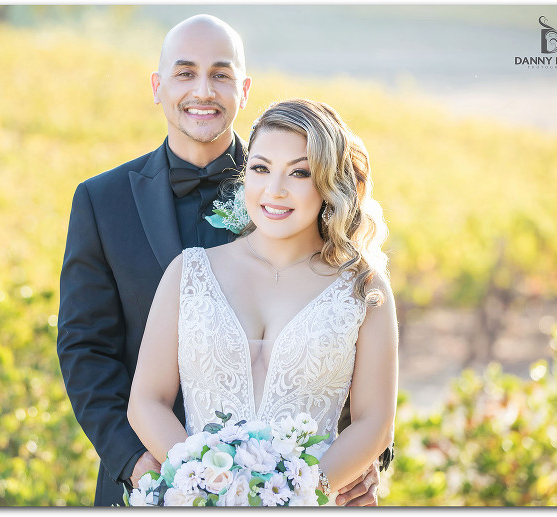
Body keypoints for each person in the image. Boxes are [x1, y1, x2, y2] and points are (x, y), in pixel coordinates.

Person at [57, 14, 386, 507]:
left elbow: (338, 330)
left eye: (220, 74)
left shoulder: (286, 186)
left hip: (303, 486)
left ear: (244, 89)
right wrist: (140, 463)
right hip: (152, 478)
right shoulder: (102, 202)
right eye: (185, 73)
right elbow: (85, 348)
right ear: (157, 86)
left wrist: (358, 462)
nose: (203, 91)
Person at [128, 98, 398, 506]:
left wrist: (297, 497)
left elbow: (374, 423)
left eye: (300, 172)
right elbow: (147, 401)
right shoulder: (189, 272)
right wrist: (205, 486)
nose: (275, 190)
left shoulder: (363, 287)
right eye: (260, 168)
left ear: (329, 182)